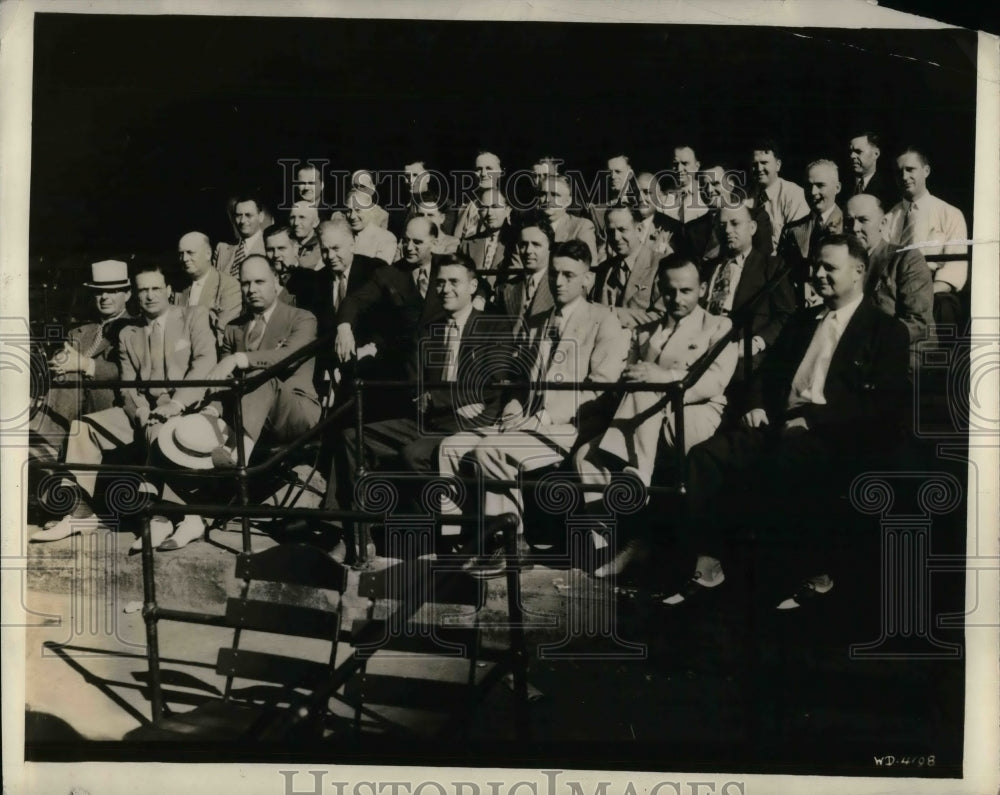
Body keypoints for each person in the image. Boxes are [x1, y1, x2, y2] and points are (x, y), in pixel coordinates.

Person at [664, 234, 909, 609]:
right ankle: (709, 567)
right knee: (706, 456)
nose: (818, 275)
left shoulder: (885, 330)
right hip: (777, 423)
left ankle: (812, 575)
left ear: (859, 271)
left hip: (833, 433)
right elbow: (767, 374)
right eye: (816, 267)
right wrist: (758, 403)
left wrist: (814, 420)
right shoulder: (802, 320)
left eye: (830, 268)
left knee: (788, 462)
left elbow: (882, 403)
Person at [438, 239, 629, 563]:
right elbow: (517, 376)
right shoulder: (537, 322)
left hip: (572, 425)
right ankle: (457, 541)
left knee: (489, 451)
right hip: (525, 421)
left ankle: (512, 541)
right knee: (450, 447)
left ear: (588, 279)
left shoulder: (602, 320)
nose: (558, 282)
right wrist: (514, 401)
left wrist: (549, 417)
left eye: (569, 275)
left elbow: (601, 387)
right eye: (554, 274)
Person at [331, 255, 512, 549]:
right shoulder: (429, 330)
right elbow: (416, 387)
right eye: (440, 282)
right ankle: (359, 537)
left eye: (454, 282)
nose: (445, 289)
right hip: (427, 420)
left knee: (414, 453)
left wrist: (440, 397)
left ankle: (433, 539)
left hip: (469, 424)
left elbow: (491, 385)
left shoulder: (494, 328)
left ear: (472, 286)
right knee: (354, 436)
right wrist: (452, 397)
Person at [32, 263, 217, 549]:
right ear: (137, 294)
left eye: (156, 288)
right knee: (84, 428)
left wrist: (177, 403)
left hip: (187, 407)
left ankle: (171, 517)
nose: (150, 296)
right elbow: (129, 386)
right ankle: (81, 513)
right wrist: (141, 411)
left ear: (169, 290)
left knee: (160, 433)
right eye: (144, 290)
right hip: (144, 410)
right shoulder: (129, 333)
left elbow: (204, 363)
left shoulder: (192, 316)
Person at [574, 253, 738, 576]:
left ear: (702, 289)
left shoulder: (719, 326)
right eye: (669, 291)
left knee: (648, 385)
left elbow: (713, 382)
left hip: (693, 415)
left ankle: (637, 479)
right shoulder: (646, 332)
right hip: (641, 421)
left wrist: (662, 379)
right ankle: (607, 542)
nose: (677, 299)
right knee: (584, 456)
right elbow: (626, 376)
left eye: (686, 291)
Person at [31, 260, 134, 457]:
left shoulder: (135, 329)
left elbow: (128, 371)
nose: (104, 297)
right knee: (65, 377)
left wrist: (84, 364)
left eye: (112, 291)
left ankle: (45, 446)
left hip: (108, 403)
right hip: (71, 403)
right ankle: (43, 445)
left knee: (71, 378)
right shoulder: (80, 332)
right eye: (98, 292)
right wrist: (59, 364)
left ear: (127, 294)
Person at [701, 203, 795, 373]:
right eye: (722, 225)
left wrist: (758, 342)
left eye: (735, 223)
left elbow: (786, 315)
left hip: (744, 356)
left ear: (752, 228)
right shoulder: (707, 269)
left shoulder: (771, 267)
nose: (727, 230)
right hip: (701, 350)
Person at [882, 147, 968, 325]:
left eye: (910, 169)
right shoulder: (888, 218)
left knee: (944, 308)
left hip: (934, 293)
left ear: (926, 171)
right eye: (899, 172)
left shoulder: (949, 214)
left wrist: (922, 293)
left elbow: (954, 271)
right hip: (894, 293)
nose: (904, 177)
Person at [845, 193, 933, 347]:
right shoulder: (843, 264)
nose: (854, 228)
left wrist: (868, 341)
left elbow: (917, 322)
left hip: (903, 351)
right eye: (849, 221)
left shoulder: (907, 258)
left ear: (883, 223)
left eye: (863, 220)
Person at [777, 159, 844, 305]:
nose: (813, 192)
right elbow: (782, 277)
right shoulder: (791, 230)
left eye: (820, 185)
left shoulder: (850, 227)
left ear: (837, 188)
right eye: (808, 186)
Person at [590, 206, 665, 328]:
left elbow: (664, 316)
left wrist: (613, 313)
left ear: (639, 229)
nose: (616, 237)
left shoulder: (661, 265)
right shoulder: (604, 269)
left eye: (622, 230)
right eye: (610, 231)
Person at [489, 211, 556, 335]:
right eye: (523, 245)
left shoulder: (560, 285)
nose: (528, 251)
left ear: (550, 248)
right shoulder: (504, 289)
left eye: (536, 245)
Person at [175, 231, 242, 348]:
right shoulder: (179, 287)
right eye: (181, 253)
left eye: (190, 253)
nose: (184, 258)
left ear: (208, 254)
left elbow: (223, 334)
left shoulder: (229, 286)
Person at [750, 141, 810, 254]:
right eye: (754, 164)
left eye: (764, 163)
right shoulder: (745, 196)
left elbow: (797, 243)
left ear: (778, 165)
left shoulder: (793, 195)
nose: (758, 169)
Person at [540, 174, 599, 267]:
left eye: (555, 195)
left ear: (568, 201)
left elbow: (590, 268)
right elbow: (515, 271)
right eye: (543, 194)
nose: (547, 199)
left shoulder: (581, 227)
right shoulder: (529, 228)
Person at [459, 187, 513, 280]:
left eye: (495, 206)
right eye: (484, 208)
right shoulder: (467, 244)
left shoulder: (516, 241)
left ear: (507, 210)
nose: (489, 213)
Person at [453, 150, 504, 240]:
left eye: (489, 168)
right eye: (478, 169)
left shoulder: (507, 206)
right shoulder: (465, 207)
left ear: (500, 172)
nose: (483, 174)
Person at [215, 195, 268, 277]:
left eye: (248, 215)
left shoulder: (270, 246)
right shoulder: (222, 248)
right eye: (238, 215)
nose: (242, 221)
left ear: (261, 217)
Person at [346, 188, 398, 265]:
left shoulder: (386, 239)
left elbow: (380, 273)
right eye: (349, 211)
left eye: (358, 210)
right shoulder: (341, 235)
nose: (352, 216)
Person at [846, 132, 896, 210]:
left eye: (858, 151)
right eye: (850, 152)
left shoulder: (889, 190)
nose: (852, 156)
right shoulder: (843, 187)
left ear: (876, 154)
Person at [289, 201, 322, 269]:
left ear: (315, 222)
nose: (296, 223)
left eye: (302, 217)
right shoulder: (287, 242)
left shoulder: (321, 246)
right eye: (292, 217)